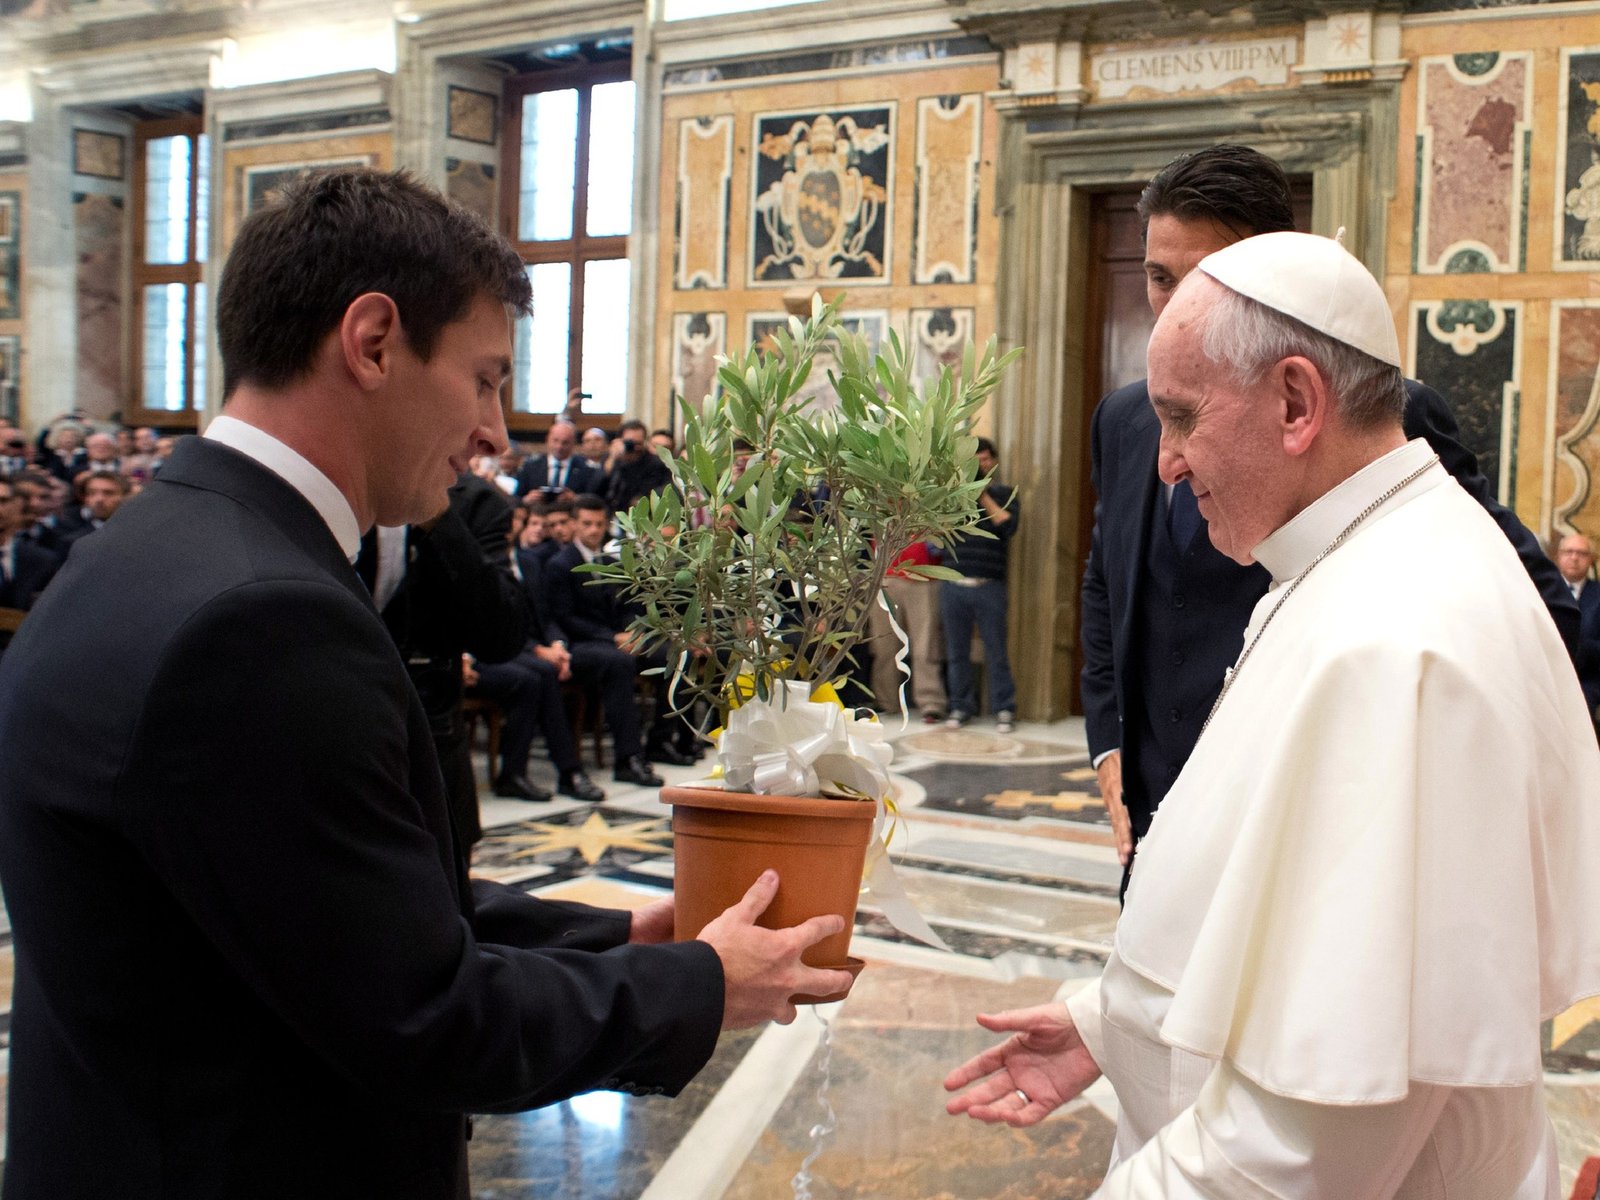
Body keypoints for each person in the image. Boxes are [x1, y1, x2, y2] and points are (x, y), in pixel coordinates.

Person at [0, 168, 853, 1200]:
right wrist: (700, 986)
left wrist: (613, 933)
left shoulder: (157, 544)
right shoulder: (260, 618)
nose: (497, 432)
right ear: (371, 342)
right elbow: (422, 1017)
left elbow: (325, 910)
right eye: (486, 378)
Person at [948, 230, 1600, 1196]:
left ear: (1297, 402)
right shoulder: (1358, 553)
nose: (1163, 463)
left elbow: (1312, 1135)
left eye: (1181, 419)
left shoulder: (1399, 635)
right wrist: (1111, 1027)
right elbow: (1275, 889)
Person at [1078, 145, 1579, 898]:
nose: (1175, 303)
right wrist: (1110, 744)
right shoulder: (1121, 421)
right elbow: (1104, 584)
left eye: (1206, 277)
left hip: (1308, 857)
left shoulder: (1380, 416)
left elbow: (1537, 614)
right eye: (1158, 277)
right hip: (1158, 842)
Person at [940, 437, 1019, 732]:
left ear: (993, 461)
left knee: (996, 649)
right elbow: (939, 530)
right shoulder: (952, 497)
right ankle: (960, 706)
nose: (981, 465)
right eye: (975, 460)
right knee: (956, 651)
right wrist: (963, 492)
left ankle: (1004, 709)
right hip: (954, 585)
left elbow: (1008, 525)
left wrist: (983, 494)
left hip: (990, 586)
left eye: (985, 459)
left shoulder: (1005, 494)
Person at [1557, 532, 1600, 715]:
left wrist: (1582, 646)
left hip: (1587, 680)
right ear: (1558, 556)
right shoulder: (1540, 591)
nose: (1574, 558)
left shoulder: (1597, 594)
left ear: (1591, 560)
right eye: (1569, 552)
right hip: (1546, 676)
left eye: (1581, 553)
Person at [514, 419, 603, 499]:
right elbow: (516, 499)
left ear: (573, 443)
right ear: (547, 440)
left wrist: (576, 499)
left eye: (565, 442)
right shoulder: (530, 467)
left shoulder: (586, 469)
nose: (559, 447)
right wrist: (527, 500)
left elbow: (594, 500)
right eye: (555, 441)